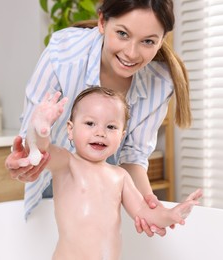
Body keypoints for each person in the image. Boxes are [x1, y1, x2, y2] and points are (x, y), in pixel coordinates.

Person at [5, 0, 192, 237]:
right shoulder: (63, 54)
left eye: (148, 41)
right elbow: (35, 138)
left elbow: (133, 156)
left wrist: (148, 206)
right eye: (122, 34)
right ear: (103, 22)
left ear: (162, 39)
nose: (131, 53)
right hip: (54, 171)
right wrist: (30, 150)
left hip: (111, 180)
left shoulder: (160, 82)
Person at [27, 87, 202, 259]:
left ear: (121, 135)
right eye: (90, 123)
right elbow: (41, 149)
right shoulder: (67, 164)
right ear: (70, 130)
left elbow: (143, 212)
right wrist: (41, 129)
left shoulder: (120, 176)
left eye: (111, 127)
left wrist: (171, 215)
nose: (100, 132)